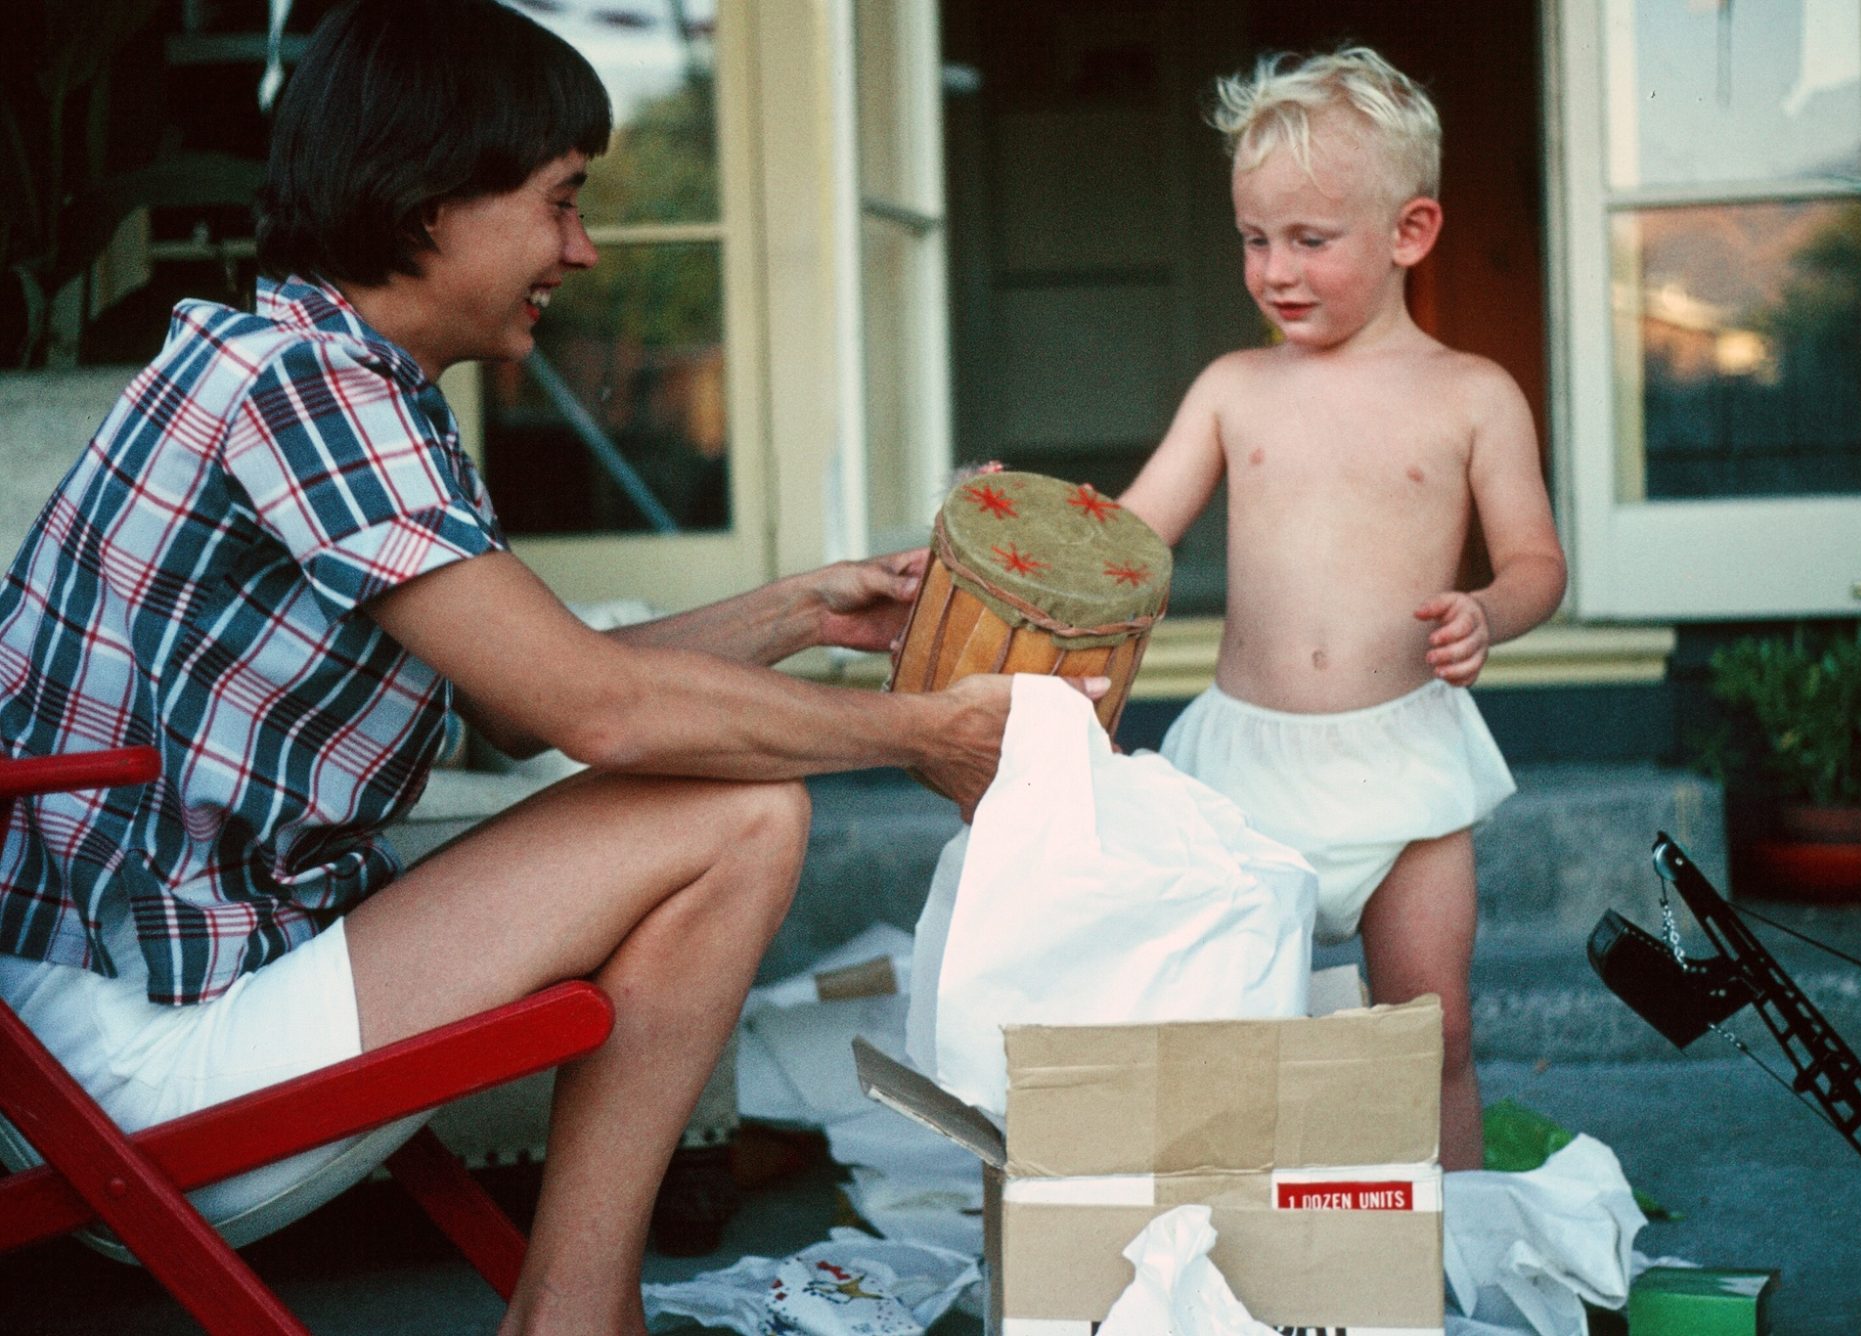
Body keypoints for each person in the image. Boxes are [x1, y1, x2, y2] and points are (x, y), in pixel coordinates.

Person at [0, 3, 1072, 1332]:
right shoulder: (312, 392)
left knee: (723, 801)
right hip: (129, 1065)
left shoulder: (301, 366)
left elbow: (524, 699)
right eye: (561, 201)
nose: (584, 247)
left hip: (124, 1018)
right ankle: (577, 1316)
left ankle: (577, 1310)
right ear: (431, 195)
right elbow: (591, 710)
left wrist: (810, 607)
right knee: (737, 814)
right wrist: (926, 737)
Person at [1120, 47, 1567, 1172]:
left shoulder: (1470, 394)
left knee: (1430, 1031)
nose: (1273, 269)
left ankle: (1452, 1253)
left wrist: (1485, 610)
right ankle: (1244, 1244)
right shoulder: (1232, 386)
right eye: (1252, 237)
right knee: (1231, 1029)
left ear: (1409, 232)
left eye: (1309, 240)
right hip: (1242, 759)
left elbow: (1534, 562)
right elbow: (1128, 538)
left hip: (1403, 759)